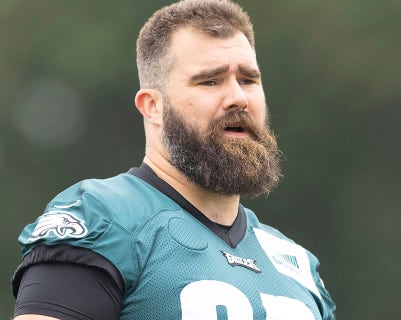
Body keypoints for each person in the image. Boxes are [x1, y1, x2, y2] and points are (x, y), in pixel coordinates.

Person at [11, 0, 336, 319]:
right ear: (153, 106)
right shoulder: (105, 221)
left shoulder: (297, 264)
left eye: (248, 80)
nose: (237, 97)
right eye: (210, 80)